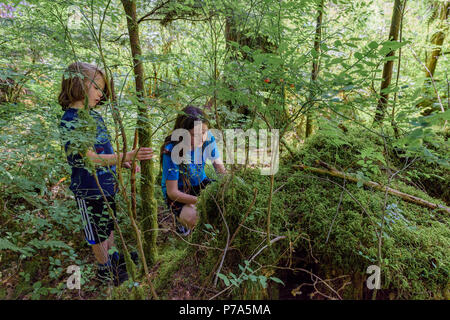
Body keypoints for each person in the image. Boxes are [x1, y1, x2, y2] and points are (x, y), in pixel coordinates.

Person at [58, 62, 154, 286]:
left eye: (102, 89)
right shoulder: (70, 121)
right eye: (97, 88)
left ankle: (113, 259)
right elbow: (89, 158)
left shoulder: (95, 117)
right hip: (89, 188)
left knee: (107, 224)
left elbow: (105, 150)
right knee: (97, 232)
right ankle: (104, 270)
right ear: (78, 85)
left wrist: (122, 164)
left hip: (107, 184)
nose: (101, 94)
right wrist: (127, 156)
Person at [160, 106, 226, 236]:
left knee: (224, 203)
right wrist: (200, 201)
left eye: (204, 132)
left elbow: (219, 168)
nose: (201, 137)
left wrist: (228, 187)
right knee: (194, 218)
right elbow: (172, 192)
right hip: (179, 191)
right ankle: (183, 224)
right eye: (194, 134)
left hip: (200, 182)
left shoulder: (208, 138)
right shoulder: (171, 150)